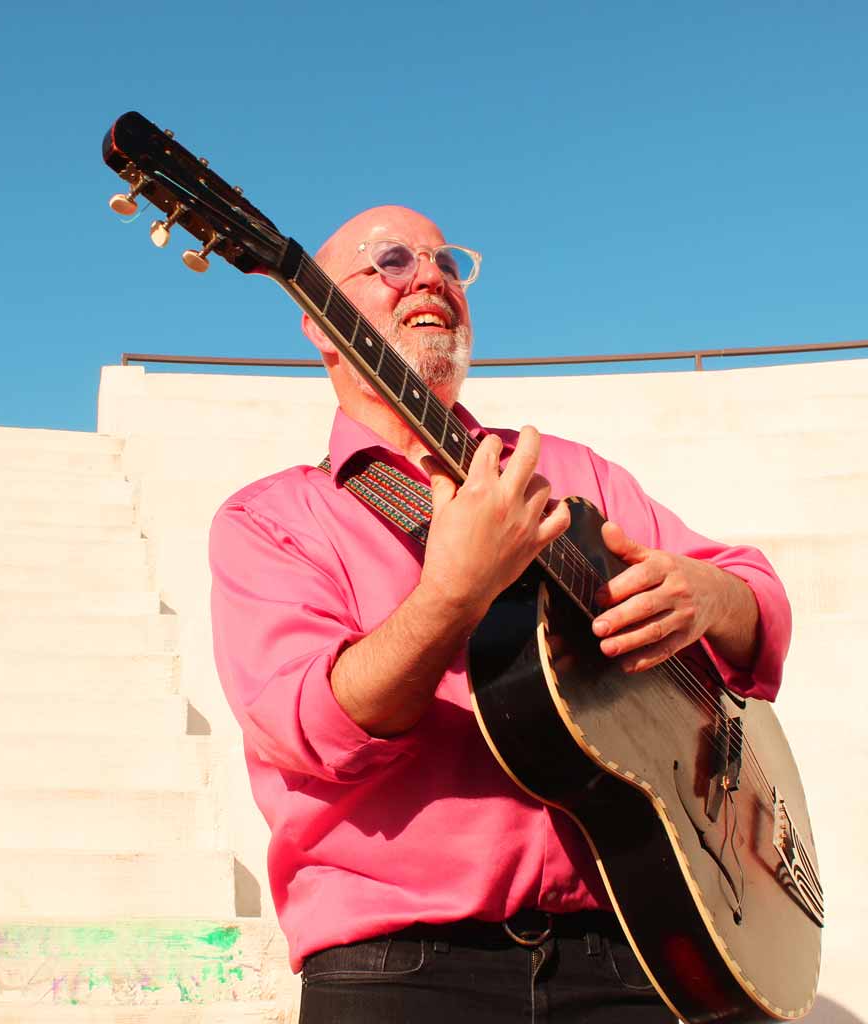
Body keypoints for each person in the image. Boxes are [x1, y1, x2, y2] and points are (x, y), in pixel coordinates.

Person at [208, 206, 790, 1023]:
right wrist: (451, 595)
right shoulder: (271, 519)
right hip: (398, 971)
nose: (431, 276)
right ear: (318, 321)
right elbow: (306, 728)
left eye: (448, 261)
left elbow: (753, 594)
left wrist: (708, 596)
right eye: (390, 261)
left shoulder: (569, 470)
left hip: (633, 952)